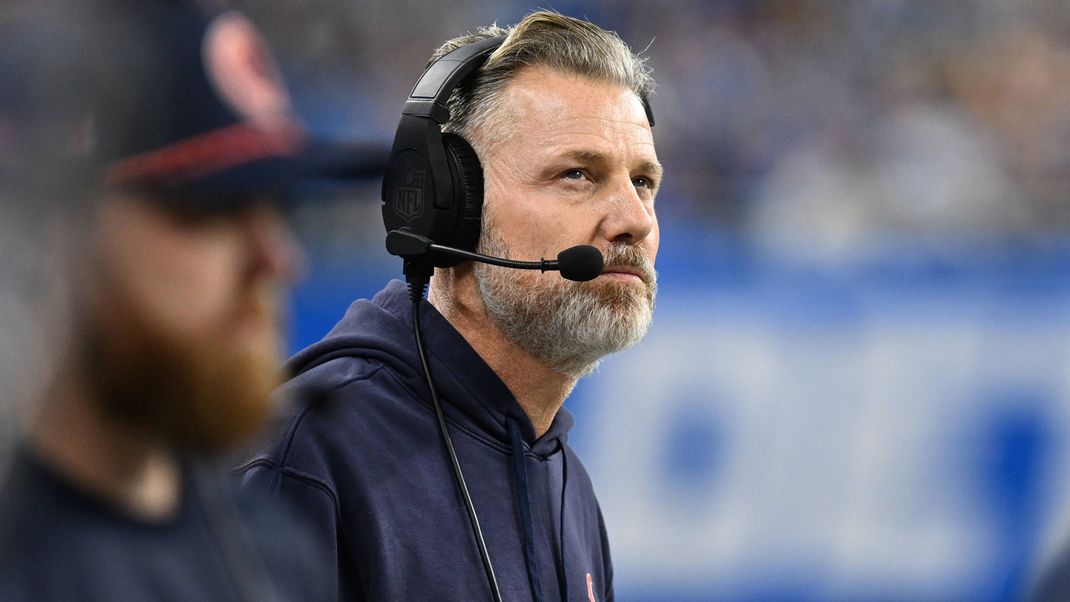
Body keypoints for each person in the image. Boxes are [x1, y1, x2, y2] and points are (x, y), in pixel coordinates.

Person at [240, 10, 662, 601]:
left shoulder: (569, 490)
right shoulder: (310, 453)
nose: (636, 220)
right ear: (450, 210)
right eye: (577, 174)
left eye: (643, 182)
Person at [0, 0, 373, 599]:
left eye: (279, 206)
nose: (277, 260)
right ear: (52, 233)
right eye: (213, 207)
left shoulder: (278, 556)